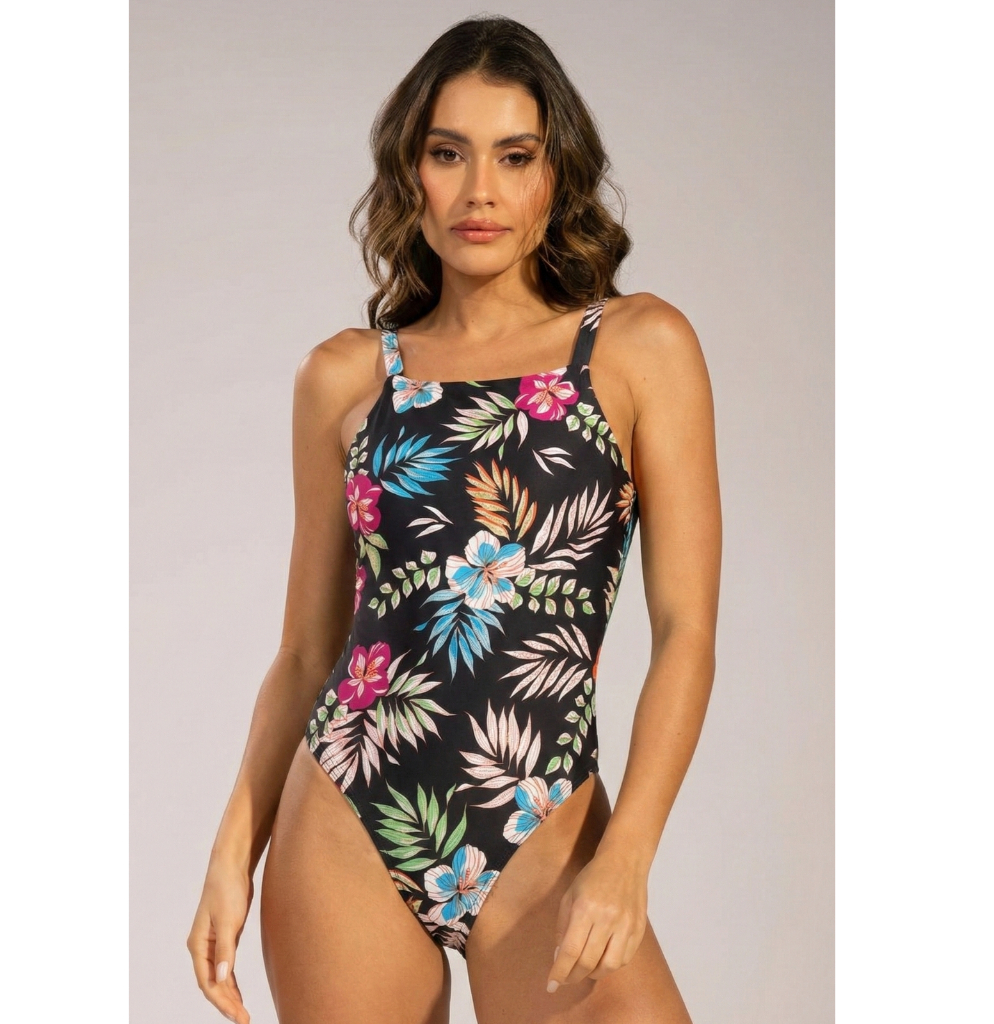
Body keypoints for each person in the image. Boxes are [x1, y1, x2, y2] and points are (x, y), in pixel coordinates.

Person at [187, 15, 720, 1024]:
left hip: (545, 819)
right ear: (410, 173)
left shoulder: (638, 348)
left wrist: (628, 856)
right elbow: (305, 651)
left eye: (514, 156)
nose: (479, 190)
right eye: (448, 153)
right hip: (348, 813)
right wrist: (231, 855)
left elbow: (686, 630)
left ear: (557, 175)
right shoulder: (345, 377)